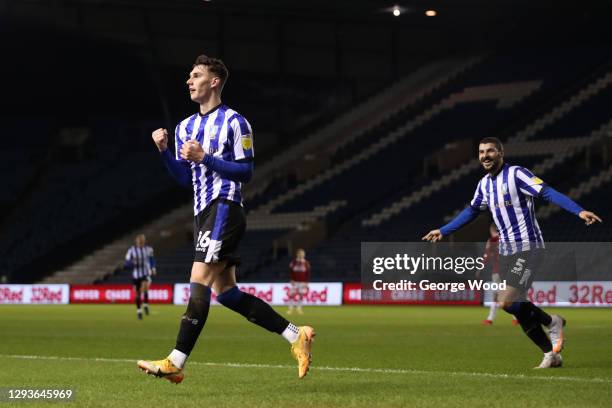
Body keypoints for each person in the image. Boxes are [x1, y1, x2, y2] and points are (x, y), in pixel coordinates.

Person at [137, 55, 314, 383]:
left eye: (196, 75)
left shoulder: (236, 122)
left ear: (214, 81)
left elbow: (246, 171)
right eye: (189, 76)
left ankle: (176, 361)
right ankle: (295, 335)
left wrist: (206, 157)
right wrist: (164, 150)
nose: (189, 81)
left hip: (224, 208)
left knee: (199, 279)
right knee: (227, 293)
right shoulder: (184, 128)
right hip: (202, 213)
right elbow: (183, 179)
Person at [422, 137, 602, 369]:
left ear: (501, 153)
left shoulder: (517, 174)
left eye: (490, 151)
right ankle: (551, 354)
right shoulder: (484, 185)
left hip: (529, 247)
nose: (485, 155)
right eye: (481, 152)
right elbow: (471, 211)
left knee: (505, 302)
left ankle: (552, 321)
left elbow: (547, 192)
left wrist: (578, 211)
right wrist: (444, 230)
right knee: (520, 308)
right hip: (507, 252)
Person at [480, 224, 517, 326]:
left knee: (496, 296)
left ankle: (490, 319)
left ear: (491, 230)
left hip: (498, 272)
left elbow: (486, 256)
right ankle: (516, 318)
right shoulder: (508, 240)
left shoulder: (491, 241)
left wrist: (480, 268)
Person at [125, 234, 156, 320]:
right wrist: (130, 264)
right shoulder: (131, 250)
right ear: (137, 241)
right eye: (139, 240)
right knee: (138, 294)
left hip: (145, 273)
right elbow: (126, 262)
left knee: (144, 287)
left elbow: (152, 259)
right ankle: (139, 311)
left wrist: (153, 268)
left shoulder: (148, 249)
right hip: (136, 275)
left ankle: (145, 305)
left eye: (142, 240)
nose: (141, 242)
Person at [288, 248, 311, 315]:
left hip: (303, 282)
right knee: (292, 294)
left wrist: (306, 282)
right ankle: (290, 308)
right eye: (300, 253)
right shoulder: (293, 262)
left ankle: (299, 308)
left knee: (301, 295)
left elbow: (308, 273)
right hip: (295, 281)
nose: (301, 255)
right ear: (297, 254)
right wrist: (291, 279)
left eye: (302, 254)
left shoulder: (306, 263)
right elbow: (291, 272)